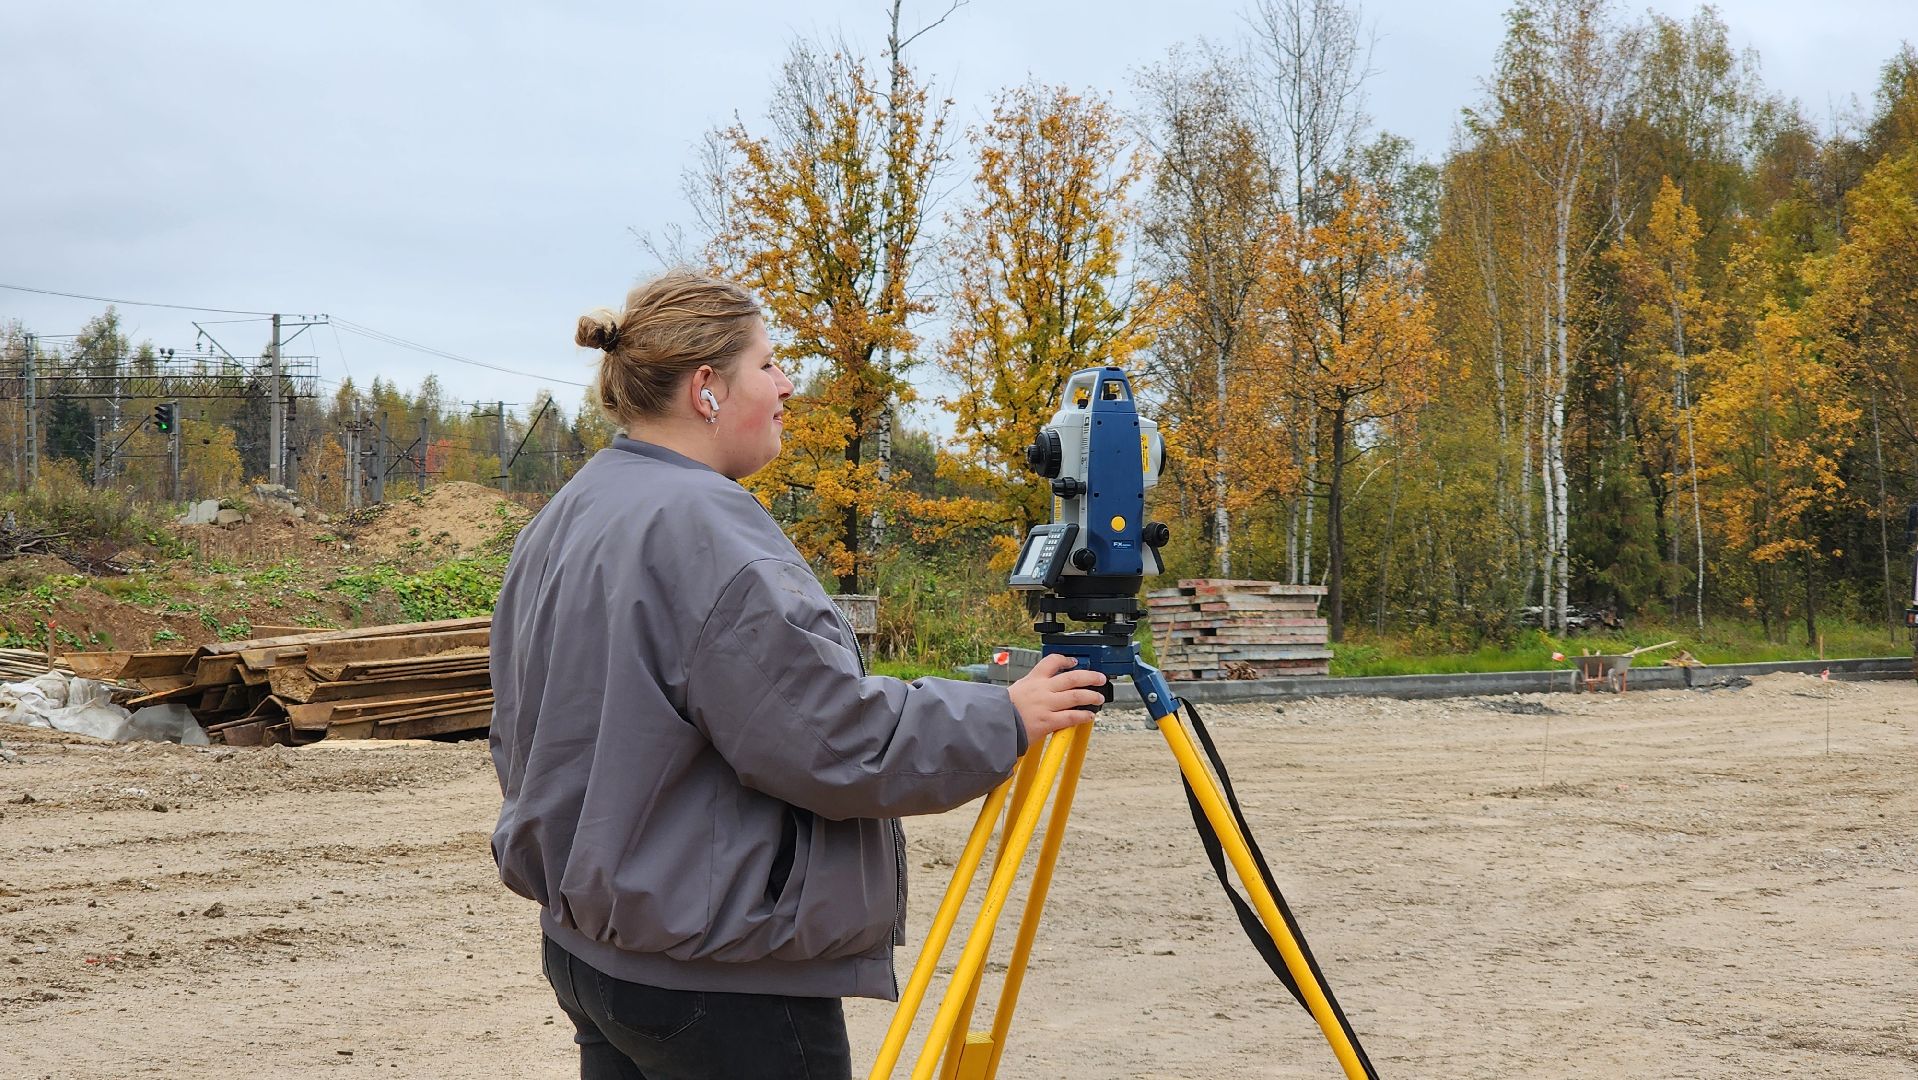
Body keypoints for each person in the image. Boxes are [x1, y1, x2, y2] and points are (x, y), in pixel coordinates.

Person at [488, 269, 1108, 1080]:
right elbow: (826, 736)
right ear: (707, 388)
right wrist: (1005, 717)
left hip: (596, 952)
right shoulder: (703, 528)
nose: (787, 387)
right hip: (719, 979)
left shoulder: (577, 508)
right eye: (770, 365)